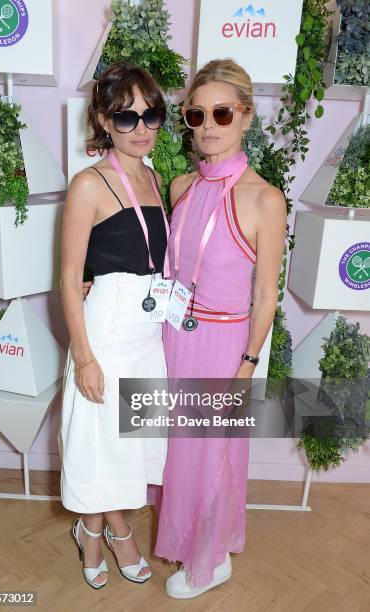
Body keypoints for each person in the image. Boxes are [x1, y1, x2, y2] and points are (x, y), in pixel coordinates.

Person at [148, 58, 287, 599]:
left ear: (246, 117)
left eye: (222, 113)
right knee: (176, 452)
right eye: (196, 113)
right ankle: (209, 543)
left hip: (224, 344)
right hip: (172, 335)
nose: (208, 124)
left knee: (214, 454)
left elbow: (265, 294)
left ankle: (207, 561)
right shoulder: (181, 185)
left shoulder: (264, 199)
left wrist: (248, 363)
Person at [58, 61, 170, 589]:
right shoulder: (88, 184)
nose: (142, 128)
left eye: (153, 115)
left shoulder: (153, 176)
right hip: (105, 329)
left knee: (128, 440)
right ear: (104, 120)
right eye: (127, 118)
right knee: (100, 440)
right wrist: (84, 357)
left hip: (147, 333)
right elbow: (68, 276)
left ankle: (101, 524)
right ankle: (102, 532)